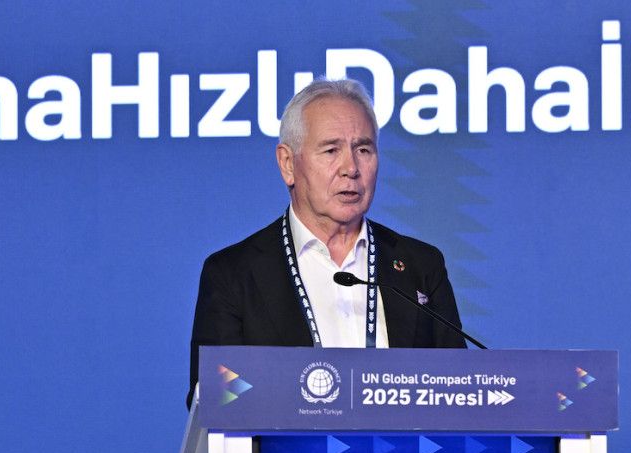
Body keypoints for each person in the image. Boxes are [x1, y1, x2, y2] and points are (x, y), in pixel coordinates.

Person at [188, 78, 466, 406]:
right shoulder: (233, 275)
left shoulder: (420, 267)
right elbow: (217, 401)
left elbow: (459, 393)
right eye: (331, 150)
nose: (351, 168)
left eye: (364, 150)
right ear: (288, 164)